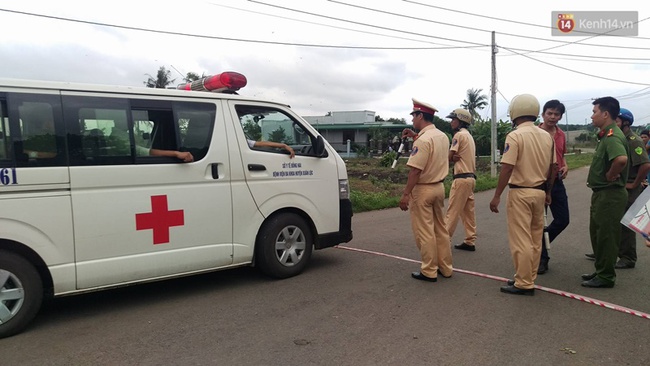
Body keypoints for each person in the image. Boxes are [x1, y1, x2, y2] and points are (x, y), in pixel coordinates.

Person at [489, 94, 557, 296]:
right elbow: (553, 167)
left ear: (515, 112)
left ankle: (524, 283)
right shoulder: (546, 136)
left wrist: (497, 195)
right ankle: (527, 276)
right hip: (539, 192)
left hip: (520, 191)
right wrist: (549, 191)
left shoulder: (515, 136)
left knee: (521, 239)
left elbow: (507, 168)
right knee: (535, 239)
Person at [399, 98, 452, 282]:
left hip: (423, 190)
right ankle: (445, 267)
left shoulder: (422, 140)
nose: (412, 119)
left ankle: (429, 270)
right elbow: (431, 151)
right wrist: (415, 135)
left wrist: (406, 194)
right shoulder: (442, 136)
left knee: (425, 231)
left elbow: (415, 170)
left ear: (420, 115)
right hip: (439, 187)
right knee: (440, 229)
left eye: (414, 115)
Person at [582, 96, 628, 288]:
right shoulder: (605, 135)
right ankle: (601, 270)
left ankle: (606, 276)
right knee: (598, 235)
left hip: (610, 194)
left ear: (606, 114)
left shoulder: (612, 137)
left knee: (607, 237)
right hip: (602, 194)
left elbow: (621, 159)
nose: (592, 116)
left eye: (595, 112)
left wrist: (610, 174)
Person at [612, 108, 649, 269]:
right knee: (613, 220)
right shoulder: (619, 138)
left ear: (625, 122)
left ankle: (628, 257)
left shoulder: (633, 140)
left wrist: (634, 184)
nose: (614, 123)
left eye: (617, 121)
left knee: (625, 223)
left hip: (630, 187)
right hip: (620, 186)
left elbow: (645, 164)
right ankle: (612, 252)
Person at [537, 100, 570, 274]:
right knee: (539, 223)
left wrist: (565, 166)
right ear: (543, 114)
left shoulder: (561, 135)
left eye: (556, 114)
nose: (552, 117)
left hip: (557, 182)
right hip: (539, 183)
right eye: (549, 113)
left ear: (560, 117)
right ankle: (542, 259)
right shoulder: (535, 133)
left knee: (563, 220)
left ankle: (540, 243)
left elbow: (561, 157)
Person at [444, 108, 478, 252]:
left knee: (452, 211)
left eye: (453, 119)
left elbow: (449, 156)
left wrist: (451, 156)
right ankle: (470, 240)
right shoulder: (468, 136)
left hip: (461, 178)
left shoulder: (458, 135)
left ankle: (443, 240)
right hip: (470, 178)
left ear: (461, 121)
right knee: (468, 211)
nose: (451, 122)